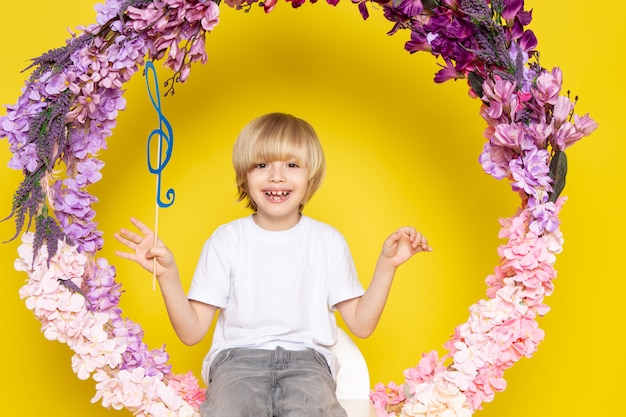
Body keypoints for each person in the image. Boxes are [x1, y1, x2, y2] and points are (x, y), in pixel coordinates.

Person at [115, 112, 432, 417]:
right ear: (245, 176)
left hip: (308, 362)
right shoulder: (227, 240)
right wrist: (168, 276)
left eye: (292, 165)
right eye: (261, 164)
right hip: (236, 359)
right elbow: (191, 332)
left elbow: (362, 325)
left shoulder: (328, 241)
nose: (276, 176)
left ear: (310, 177)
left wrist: (387, 265)